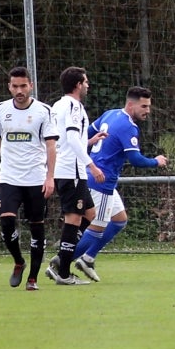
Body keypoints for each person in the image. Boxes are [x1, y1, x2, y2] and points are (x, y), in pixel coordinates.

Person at [71, 86, 168, 281]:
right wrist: (156, 161)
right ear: (131, 105)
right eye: (144, 106)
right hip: (102, 182)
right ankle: (61, 263)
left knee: (119, 219)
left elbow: (85, 134)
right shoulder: (128, 126)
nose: (147, 110)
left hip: (93, 176)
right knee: (97, 228)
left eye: (149, 106)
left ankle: (87, 258)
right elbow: (135, 159)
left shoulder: (111, 114)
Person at [0, 66, 58, 290]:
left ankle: (33, 279)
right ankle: (19, 261)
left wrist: (50, 177)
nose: (19, 90)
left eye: (23, 86)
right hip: (9, 177)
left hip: (36, 178)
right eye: (15, 86)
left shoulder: (44, 111)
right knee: (6, 220)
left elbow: (51, 146)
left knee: (36, 227)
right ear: (9, 87)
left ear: (31, 86)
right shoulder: (0, 109)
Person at [44, 67, 106, 285]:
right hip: (72, 171)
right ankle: (63, 274)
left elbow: (64, 140)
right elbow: (70, 138)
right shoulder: (74, 106)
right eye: (86, 82)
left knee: (90, 213)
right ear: (78, 84)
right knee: (74, 219)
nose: (88, 85)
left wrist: (89, 141)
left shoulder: (57, 105)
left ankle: (62, 259)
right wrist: (92, 166)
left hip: (65, 168)